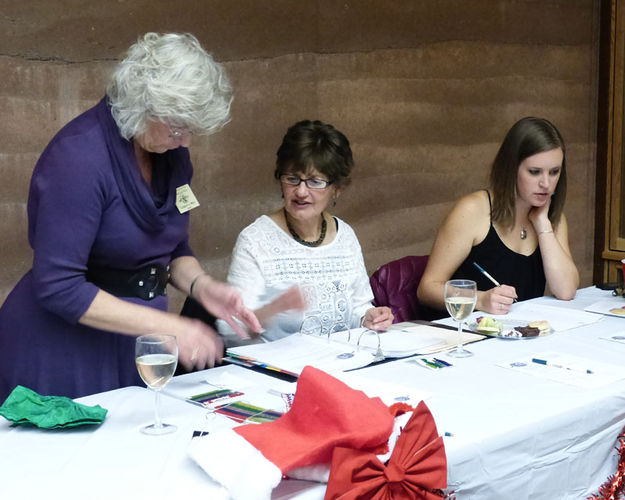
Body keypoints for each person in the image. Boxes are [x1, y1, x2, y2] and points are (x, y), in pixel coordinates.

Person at [0, 33, 260, 401]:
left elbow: (172, 245)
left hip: (136, 342)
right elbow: (59, 286)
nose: (186, 141)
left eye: (191, 130)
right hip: (63, 349)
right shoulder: (79, 158)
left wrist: (202, 287)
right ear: (142, 106)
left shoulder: (170, 154)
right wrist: (172, 326)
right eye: (178, 128)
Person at [217, 120, 393, 344]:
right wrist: (273, 309)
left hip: (338, 364)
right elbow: (230, 331)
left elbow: (359, 306)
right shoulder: (255, 240)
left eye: (315, 181)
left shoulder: (345, 236)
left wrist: (368, 318)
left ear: (337, 188)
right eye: (292, 179)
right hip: (277, 373)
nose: (301, 191)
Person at [417, 116, 579, 316]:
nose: (546, 183)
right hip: (464, 333)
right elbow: (427, 288)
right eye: (534, 172)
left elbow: (566, 290)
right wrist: (479, 299)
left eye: (554, 172)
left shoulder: (552, 218)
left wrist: (542, 224)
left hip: (518, 336)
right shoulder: (472, 210)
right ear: (511, 168)